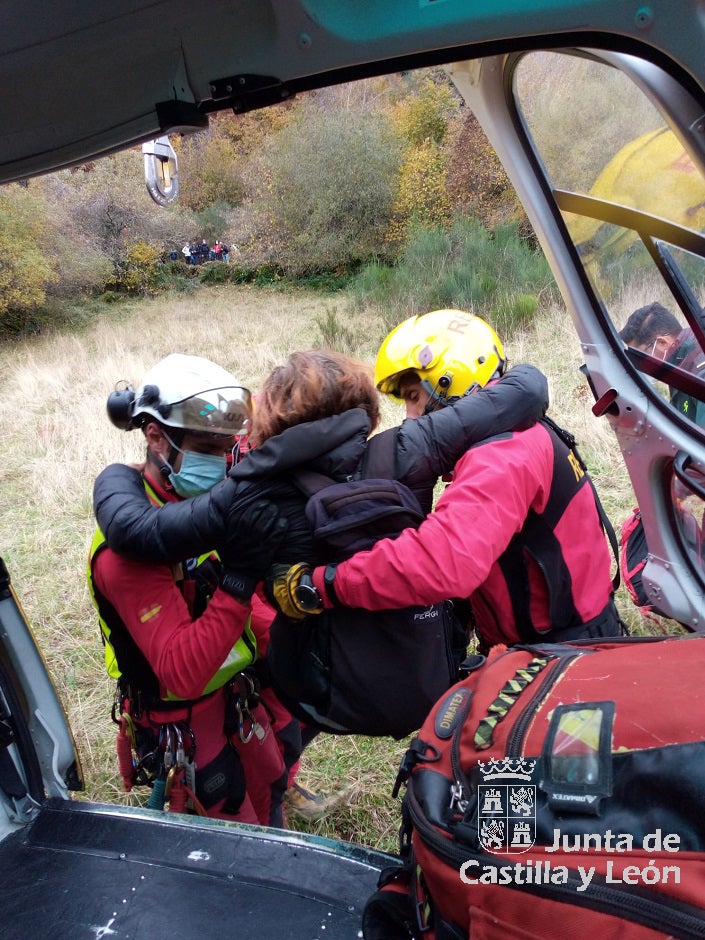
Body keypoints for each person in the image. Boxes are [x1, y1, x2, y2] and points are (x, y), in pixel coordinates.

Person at [91, 348, 549, 741]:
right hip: (423, 679)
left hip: (317, 693)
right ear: (365, 408)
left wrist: (114, 476)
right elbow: (528, 388)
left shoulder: (245, 496)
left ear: (267, 422)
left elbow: (134, 530)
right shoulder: (408, 449)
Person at [275, 310, 623, 650]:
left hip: (564, 650)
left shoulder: (502, 454)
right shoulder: (517, 428)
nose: (410, 418)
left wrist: (322, 585)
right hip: (566, 633)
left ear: (450, 378)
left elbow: (445, 561)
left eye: (414, 397)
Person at [87, 353, 292, 825]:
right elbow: (183, 672)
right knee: (242, 836)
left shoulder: (193, 503)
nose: (219, 463)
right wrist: (239, 579)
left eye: (225, 448)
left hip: (233, 697)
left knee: (270, 791)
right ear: (155, 436)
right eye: (205, 448)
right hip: (183, 719)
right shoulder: (126, 553)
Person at [619, 301, 705, 425]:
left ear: (662, 342)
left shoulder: (699, 374)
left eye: (641, 356)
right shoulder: (680, 366)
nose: (640, 365)